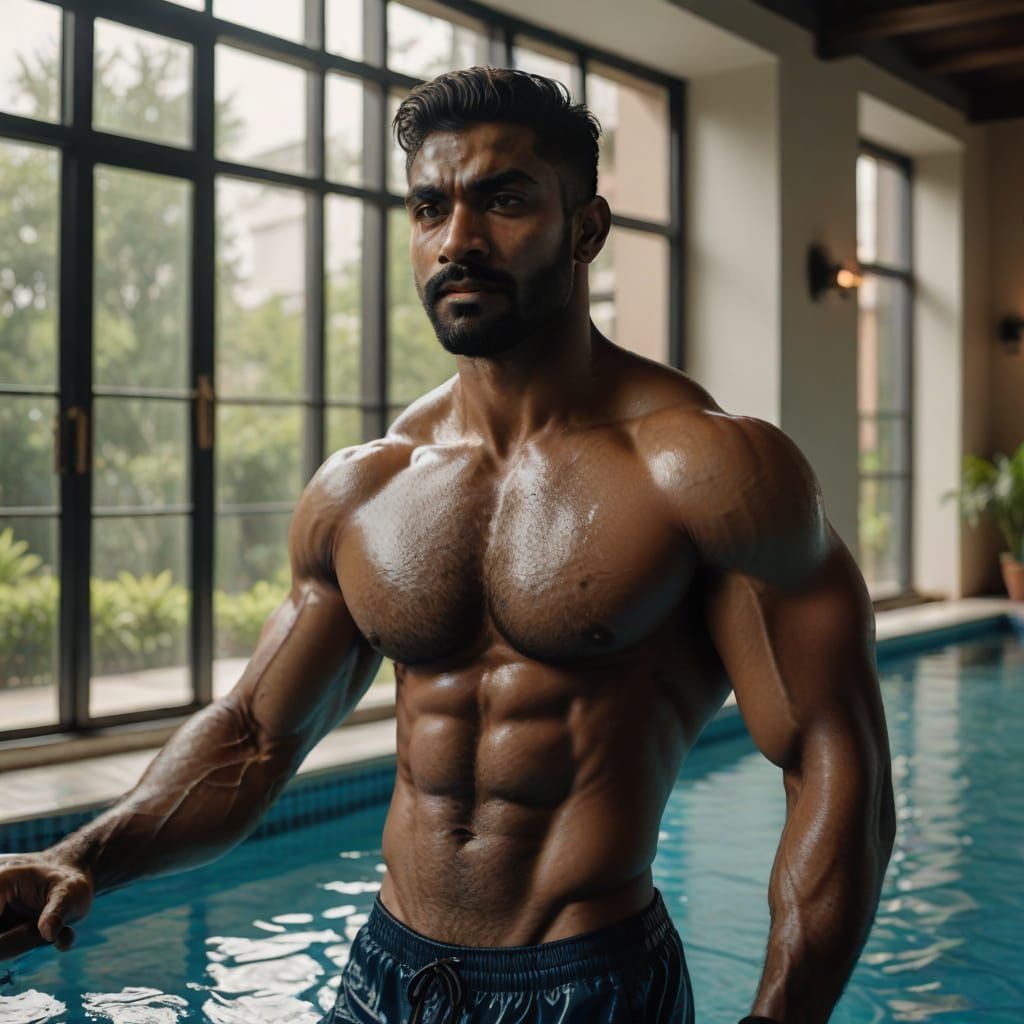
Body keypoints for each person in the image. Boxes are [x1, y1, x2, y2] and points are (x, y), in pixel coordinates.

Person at [0, 67, 896, 1024]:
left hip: (586, 987)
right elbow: (256, 737)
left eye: (503, 201)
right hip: (386, 974)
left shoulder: (705, 471)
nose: (457, 240)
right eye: (430, 207)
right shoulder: (366, 487)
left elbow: (833, 762)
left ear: (587, 230)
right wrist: (79, 856)